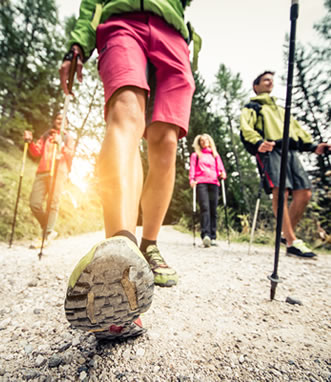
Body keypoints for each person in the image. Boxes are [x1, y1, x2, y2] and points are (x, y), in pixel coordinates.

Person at [59, 0, 198, 339]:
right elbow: (91, 3)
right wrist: (78, 42)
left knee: (166, 141)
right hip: (121, 22)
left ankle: (148, 245)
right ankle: (121, 247)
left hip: (173, 34)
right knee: (126, 114)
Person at [240, 71, 330, 258]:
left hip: (290, 150)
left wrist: (313, 146)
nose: (270, 82)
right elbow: (246, 128)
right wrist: (258, 142)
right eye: (265, 80)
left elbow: (296, 130)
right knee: (281, 191)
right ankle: (292, 241)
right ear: (255, 86)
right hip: (271, 150)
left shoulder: (282, 110)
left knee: (304, 192)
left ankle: (286, 234)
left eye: (272, 80)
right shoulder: (253, 107)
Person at [24, 113, 74, 248]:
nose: (60, 120)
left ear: (67, 124)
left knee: (53, 202)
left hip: (59, 171)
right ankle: (48, 229)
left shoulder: (68, 137)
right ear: (54, 121)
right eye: (58, 118)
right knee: (34, 203)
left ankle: (47, 234)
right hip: (42, 171)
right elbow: (36, 152)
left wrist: (61, 144)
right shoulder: (47, 135)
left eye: (63, 119)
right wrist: (29, 143)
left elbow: (70, 154)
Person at [189, 134, 227, 247]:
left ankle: (213, 236)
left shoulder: (215, 155)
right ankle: (206, 235)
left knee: (213, 209)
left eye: (206, 140)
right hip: (201, 183)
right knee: (205, 208)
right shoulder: (196, 155)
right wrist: (192, 179)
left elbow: (221, 169)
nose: (204, 142)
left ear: (210, 141)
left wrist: (223, 174)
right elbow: (192, 168)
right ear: (199, 143)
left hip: (214, 183)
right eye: (201, 141)